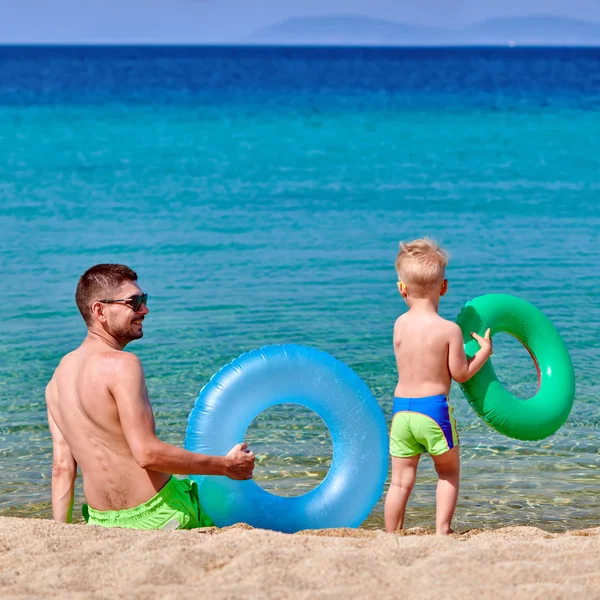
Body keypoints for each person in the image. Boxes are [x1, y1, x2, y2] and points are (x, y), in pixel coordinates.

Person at [46, 263, 255, 530]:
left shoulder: (55, 382)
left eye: (144, 300)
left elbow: (62, 468)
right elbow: (148, 454)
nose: (144, 309)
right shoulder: (123, 364)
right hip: (163, 515)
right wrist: (227, 466)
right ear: (100, 310)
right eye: (134, 302)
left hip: (102, 523)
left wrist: (60, 532)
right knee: (234, 502)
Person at [384, 239, 492, 535]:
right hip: (433, 411)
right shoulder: (449, 330)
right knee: (448, 472)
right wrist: (483, 352)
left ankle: (391, 535)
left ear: (401, 289)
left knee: (400, 482)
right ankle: (442, 530)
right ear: (443, 287)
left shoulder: (399, 325)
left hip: (401, 412)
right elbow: (461, 373)